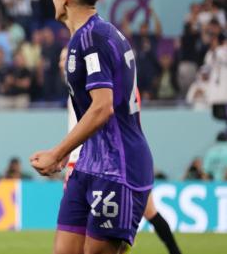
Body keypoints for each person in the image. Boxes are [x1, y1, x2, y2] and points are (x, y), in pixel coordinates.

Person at [31, 0, 153, 254]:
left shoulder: (92, 39)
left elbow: (102, 108)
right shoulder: (90, 36)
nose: (52, 0)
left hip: (118, 167)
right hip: (89, 163)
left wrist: (57, 152)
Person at [62, 47, 182, 254]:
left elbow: (96, 123)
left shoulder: (95, 90)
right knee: (145, 215)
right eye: (62, 58)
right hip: (130, 160)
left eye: (66, 58)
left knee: (89, 229)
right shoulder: (126, 88)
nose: (64, 62)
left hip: (100, 163)